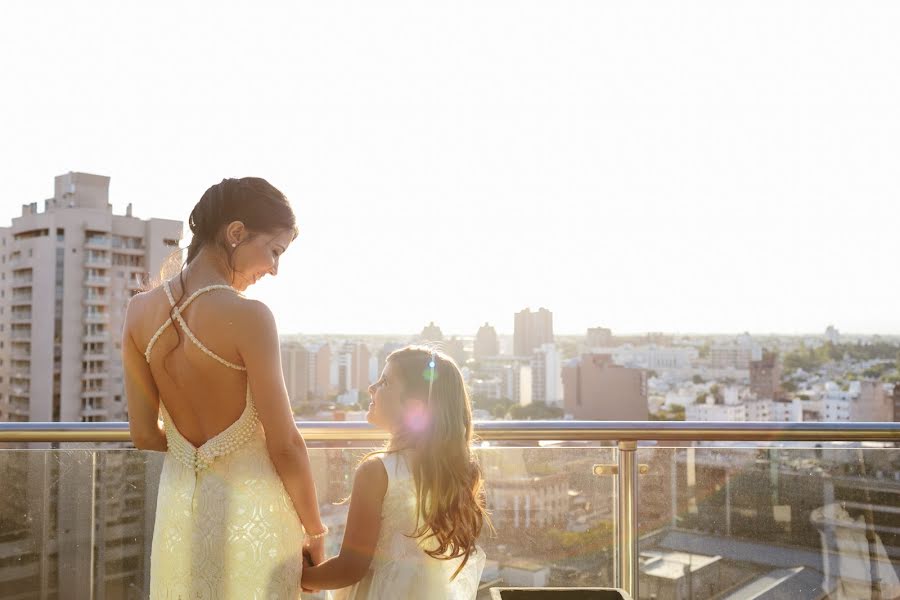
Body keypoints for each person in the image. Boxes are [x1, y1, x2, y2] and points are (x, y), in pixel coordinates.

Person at [122, 177, 326, 599]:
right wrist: (315, 530)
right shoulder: (249, 316)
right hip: (255, 514)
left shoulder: (138, 311)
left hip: (182, 510)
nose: (274, 268)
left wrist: (194, 454)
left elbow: (143, 434)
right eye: (274, 251)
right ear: (236, 233)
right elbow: (285, 444)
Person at [302, 346, 488, 599]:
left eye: (385, 382)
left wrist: (300, 576)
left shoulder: (376, 471)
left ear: (414, 408)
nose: (372, 388)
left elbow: (350, 568)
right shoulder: (457, 470)